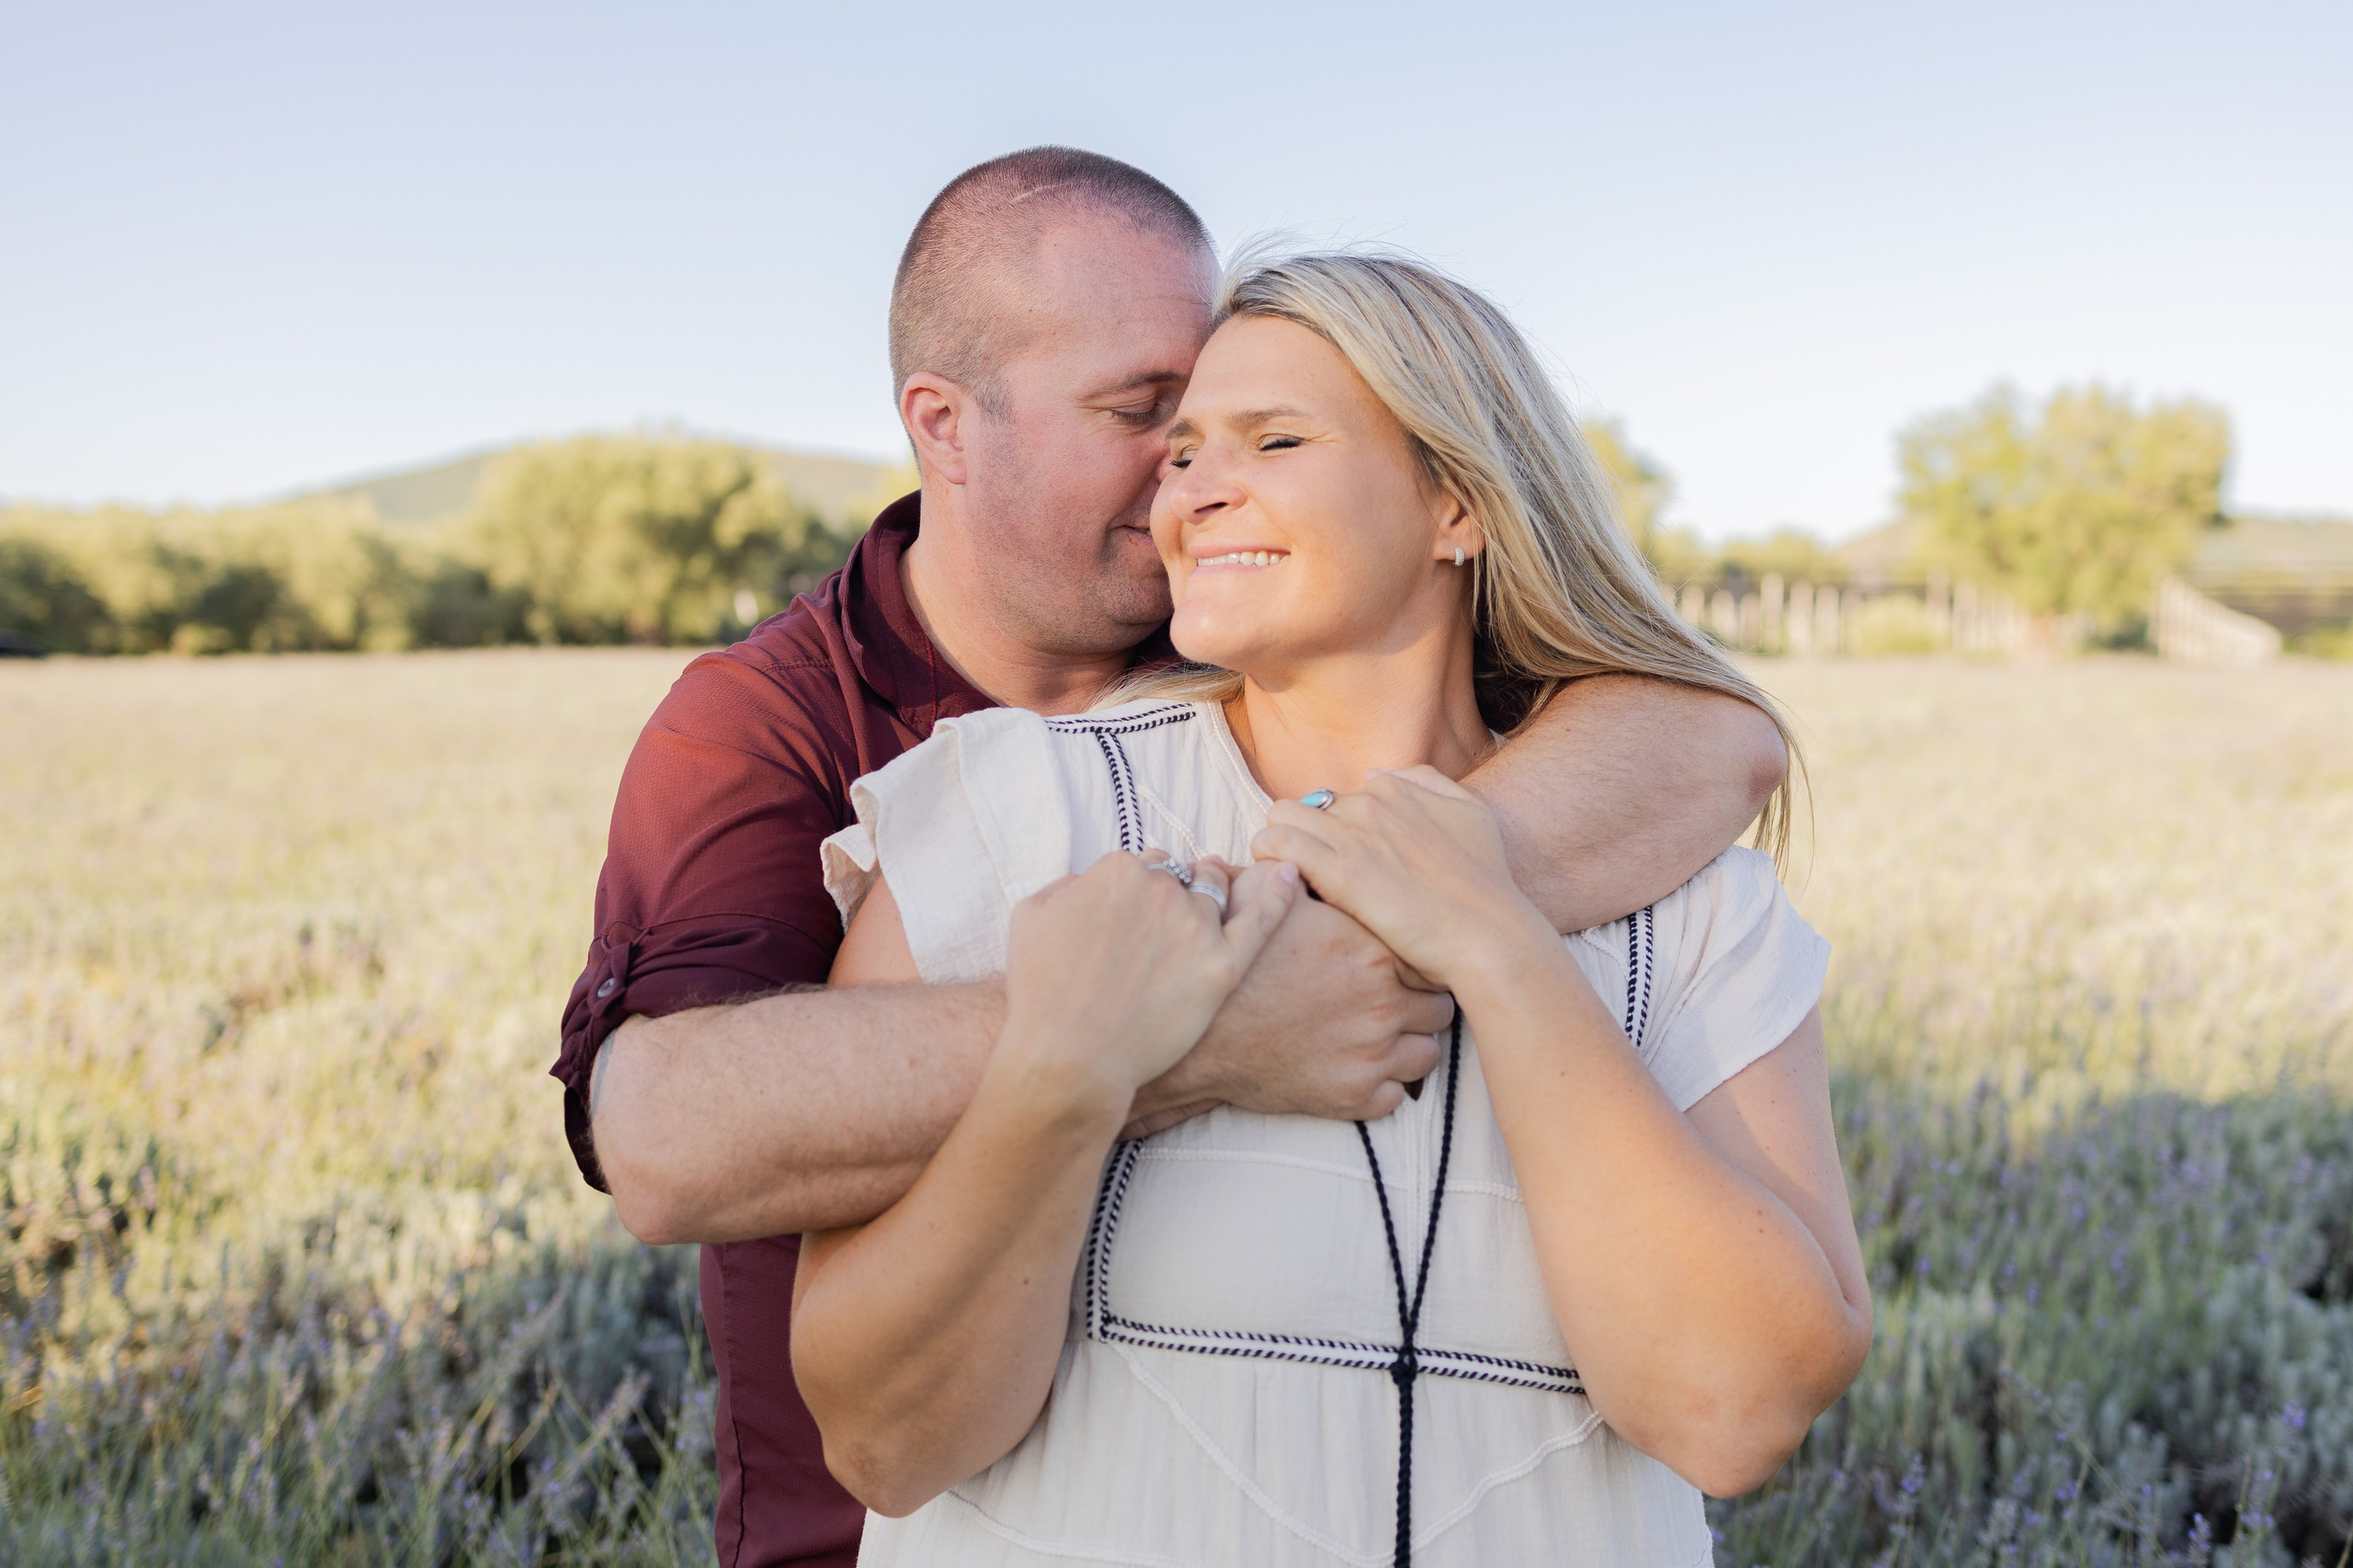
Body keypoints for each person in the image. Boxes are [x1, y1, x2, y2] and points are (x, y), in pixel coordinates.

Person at [554, 149, 1790, 1568]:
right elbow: (659, 1136)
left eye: (1239, 425)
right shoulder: (772, 722)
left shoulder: (1252, 626)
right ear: (945, 428)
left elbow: (1705, 733)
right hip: (876, 1521)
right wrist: (1198, 1030)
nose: (1187, 475)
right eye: (1152, 416)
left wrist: (1399, 902)